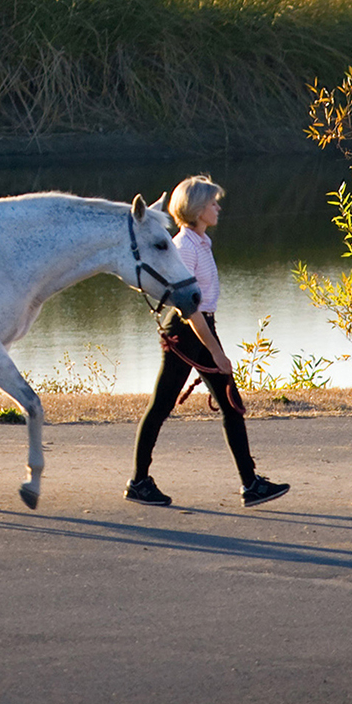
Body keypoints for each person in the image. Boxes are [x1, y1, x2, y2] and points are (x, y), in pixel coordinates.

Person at [125, 174, 289, 508]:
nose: (218, 208)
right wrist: (216, 351)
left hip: (201, 327)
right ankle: (139, 482)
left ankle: (251, 484)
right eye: (213, 203)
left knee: (230, 405)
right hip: (187, 330)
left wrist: (213, 344)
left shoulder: (200, 242)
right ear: (198, 209)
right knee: (162, 406)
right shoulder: (185, 248)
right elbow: (188, 308)